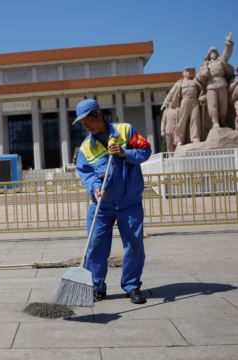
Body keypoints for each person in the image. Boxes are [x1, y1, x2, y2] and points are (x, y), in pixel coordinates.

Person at [73, 99, 152, 304]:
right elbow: (86, 173)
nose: (85, 127)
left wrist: (126, 153)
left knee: (134, 245)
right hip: (102, 206)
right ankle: (97, 287)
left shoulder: (125, 131)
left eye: (87, 122)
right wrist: (95, 188)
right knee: (96, 246)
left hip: (129, 202)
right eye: (82, 124)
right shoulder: (86, 148)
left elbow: (145, 150)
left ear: (98, 115)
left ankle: (132, 286)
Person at [197, 32, 234, 128]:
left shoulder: (221, 61)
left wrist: (228, 42)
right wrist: (204, 74)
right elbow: (199, 77)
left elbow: (227, 53)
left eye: (214, 53)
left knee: (223, 106)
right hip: (210, 86)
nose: (213, 54)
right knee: (213, 105)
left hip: (221, 83)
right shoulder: (204, 65)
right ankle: (215, 122)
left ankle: (222, 121)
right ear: (209, 55)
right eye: (211, 53)